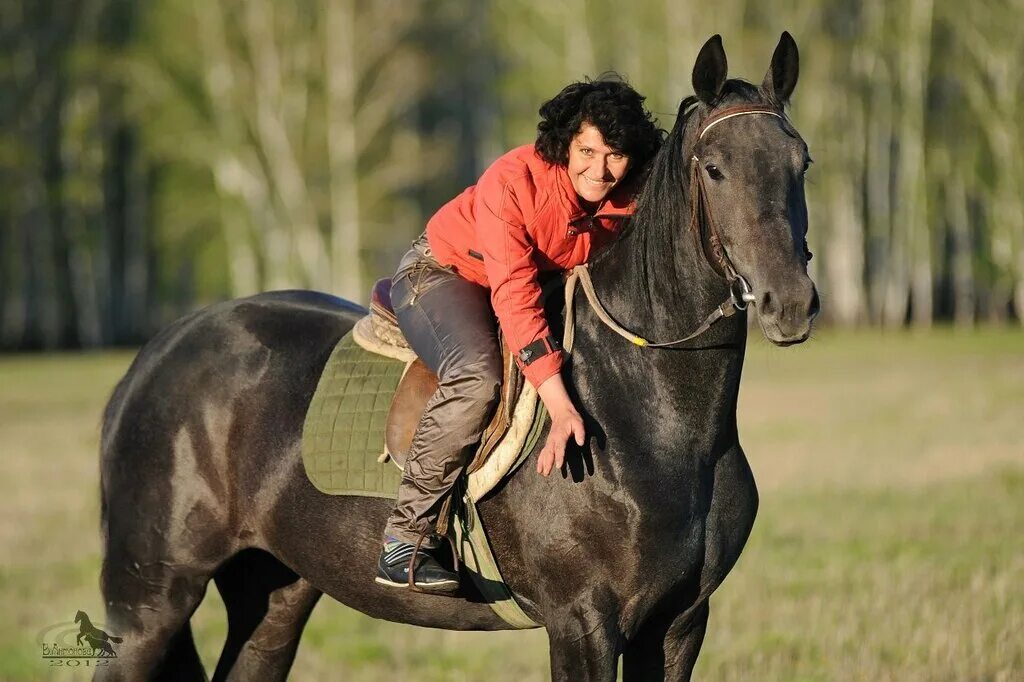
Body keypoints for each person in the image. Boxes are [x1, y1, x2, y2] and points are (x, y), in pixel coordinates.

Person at [376, 76, 663, 591]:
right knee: (478, 376)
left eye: (615, 155)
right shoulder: (512, 181)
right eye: (586, 150)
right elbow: (514, 296)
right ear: (564, 144)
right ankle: (405, 538)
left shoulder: (631, 191)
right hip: (444, 275)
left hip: (537, 282)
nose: (598, 171)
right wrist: (560, 404)